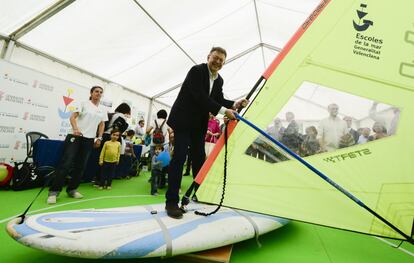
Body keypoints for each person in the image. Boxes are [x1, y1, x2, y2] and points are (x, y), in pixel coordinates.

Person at [166, 47, 248, 219]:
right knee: (180, 157)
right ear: (208, 57)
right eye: (215, 58)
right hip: (182, 120)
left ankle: (199, 193)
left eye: (221, 60)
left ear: (224, 63)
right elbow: (200, 96)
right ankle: (171, 202)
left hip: (198, 124)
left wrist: (234, 103)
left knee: (199, 159)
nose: (217, 62)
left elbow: (217, 99)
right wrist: (224, 111)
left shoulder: (219, 80)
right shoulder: (196, 71)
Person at [47, 86, 107, 204]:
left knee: (81, 166)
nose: (98, 94)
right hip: (75, 136)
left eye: (101, 92)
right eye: (96, 91)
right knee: (66, 164)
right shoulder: (83, 103)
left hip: (89, 139)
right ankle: (54, 192)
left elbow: (102, 124)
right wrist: (75, 129)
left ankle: (72, 189)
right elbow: (72, 117)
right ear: (91, 93)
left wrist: (99, 138)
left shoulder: (103, 109)